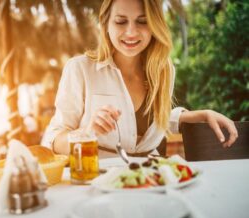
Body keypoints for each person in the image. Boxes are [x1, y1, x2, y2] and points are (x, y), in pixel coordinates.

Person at [41, 0, 238, 158]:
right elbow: (51, 141)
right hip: (99, 185)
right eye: (120, 21)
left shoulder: (163, 69)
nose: (131, 32)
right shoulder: (80, 69)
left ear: (154, 26)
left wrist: (196, 115)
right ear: (105, 23)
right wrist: (87, 133)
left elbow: (144, 123)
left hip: (151, 180)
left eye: (142, 21)